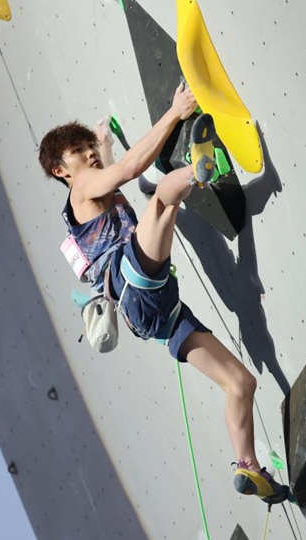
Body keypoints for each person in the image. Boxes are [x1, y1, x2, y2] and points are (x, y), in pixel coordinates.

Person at [38, 83, 288, 505]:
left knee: (241, 382)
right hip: (134, 281)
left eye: (87, 148)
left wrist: (102, 142)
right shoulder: (81, 187)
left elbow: (114, 173)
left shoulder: (91, 193)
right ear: (62, 171)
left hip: (157, 317)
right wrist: (175, 112)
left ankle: (248, 466)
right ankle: (198, 167)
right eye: (78, 152)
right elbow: (130, 170)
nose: (88, 155)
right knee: (161, 203)